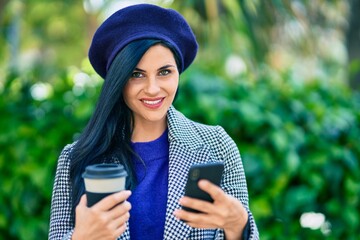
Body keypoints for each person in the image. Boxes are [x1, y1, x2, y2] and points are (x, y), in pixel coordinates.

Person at [49, 3, 259, 240]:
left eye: (164, 72)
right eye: (136, 74)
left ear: (178, 73)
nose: (152, 88)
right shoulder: (75, 158)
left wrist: (238, 225)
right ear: (118, 81)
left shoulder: (217, 145)